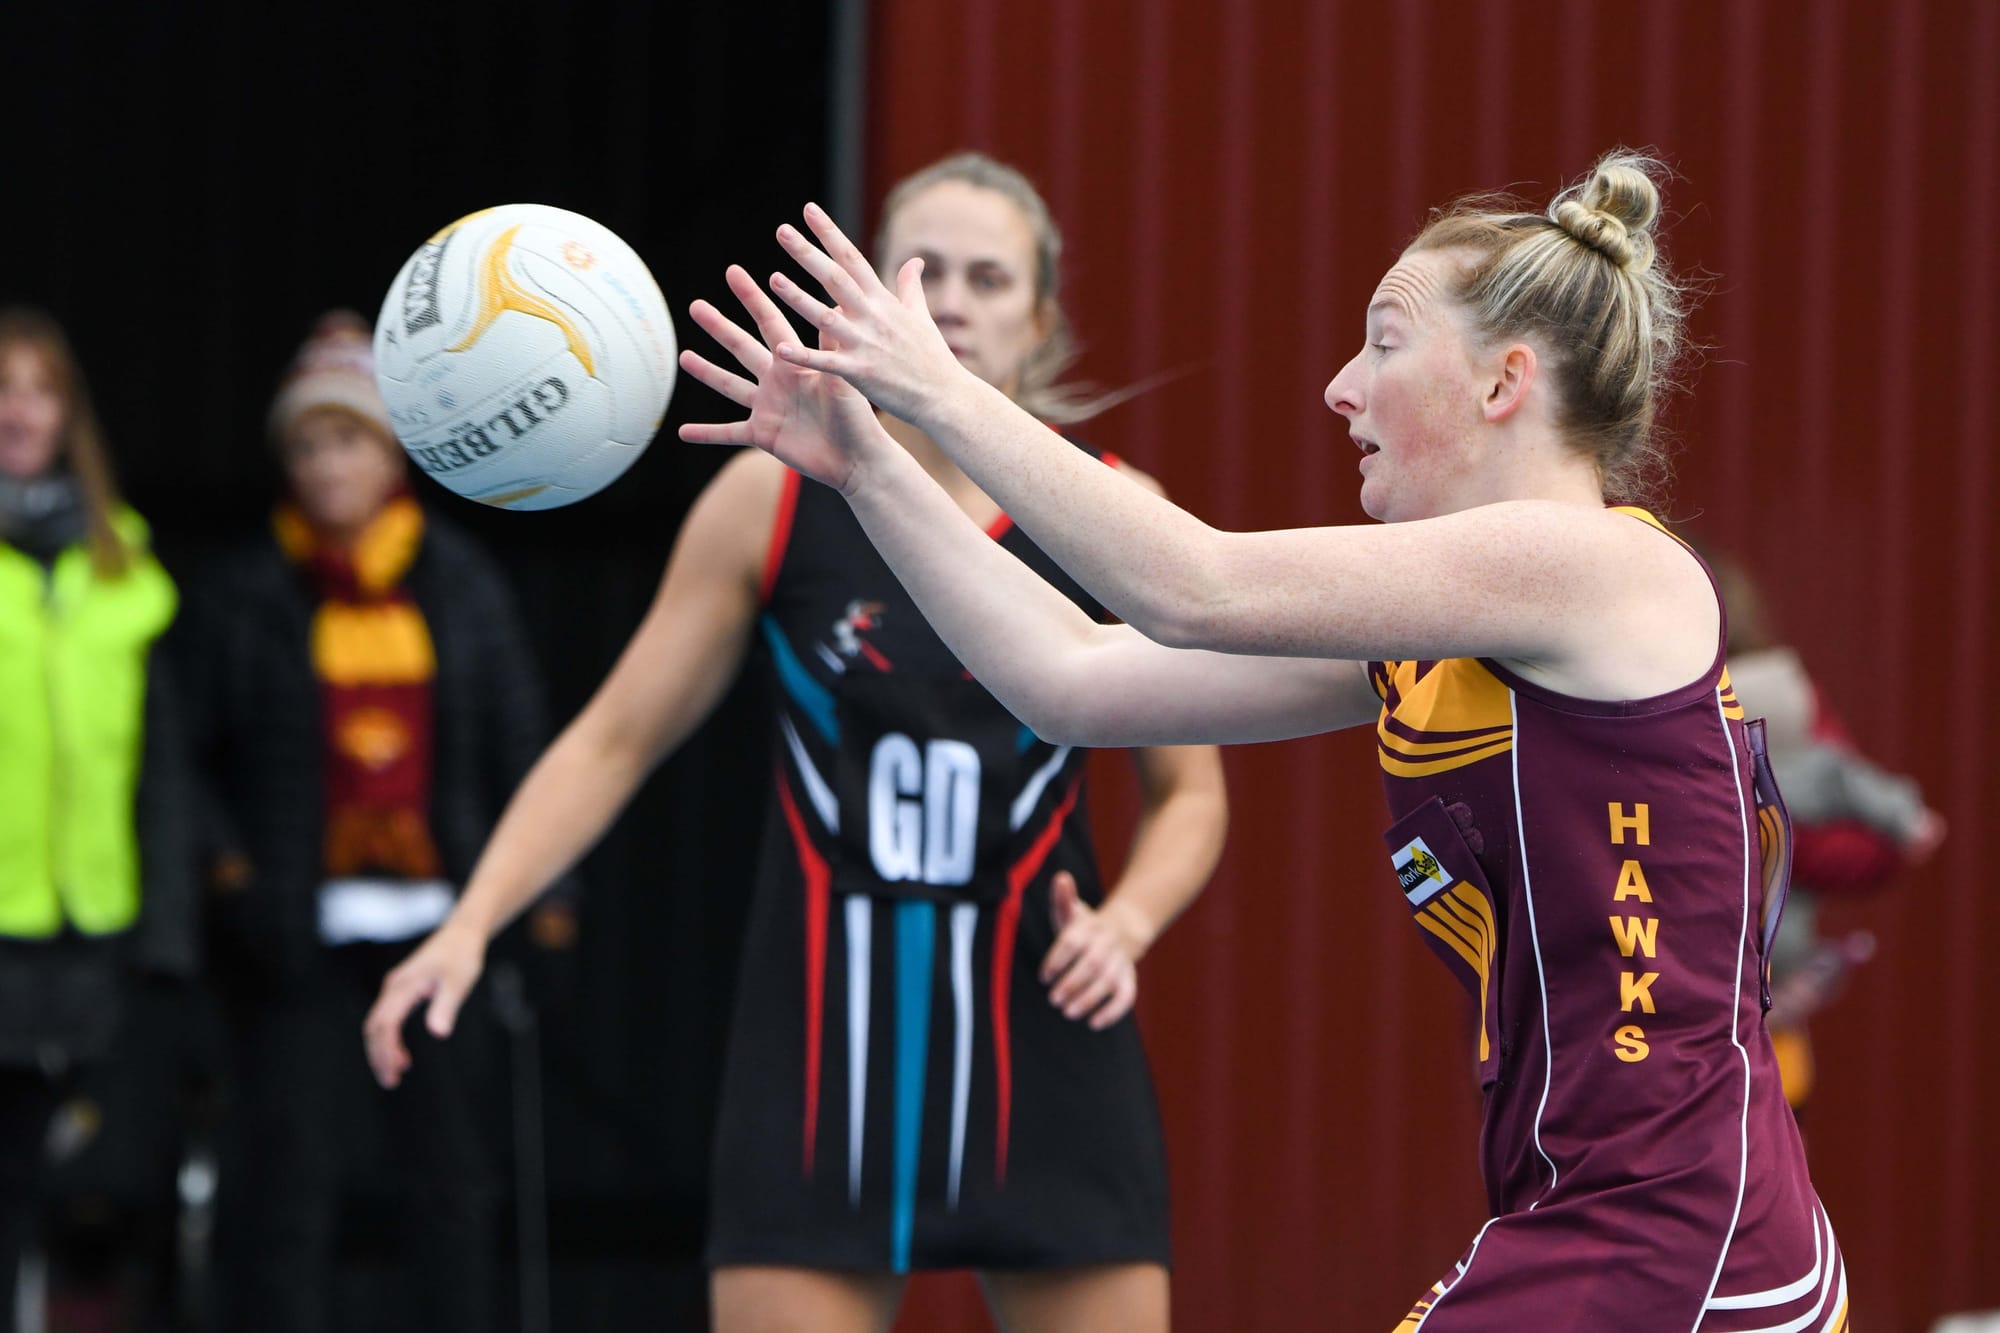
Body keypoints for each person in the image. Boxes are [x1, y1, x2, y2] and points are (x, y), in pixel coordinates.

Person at [680, 150, 1848, 1330]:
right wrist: (871, 467)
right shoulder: (1442, 631)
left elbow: (1195, 583)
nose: (1340, 388)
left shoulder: (1592, 563)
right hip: (1601, 1229)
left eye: (1382, 342)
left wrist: (933, 387)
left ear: (1504, 380)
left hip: (1688, 1247)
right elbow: (1070, 679)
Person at [364, 153, 1228, 1333]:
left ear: (1040, 320)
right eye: (925, 273)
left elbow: (1190, 793)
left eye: (991, 278)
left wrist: (1128, 922)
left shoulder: (1113, 508)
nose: (956, 302)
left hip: (1044, 1024)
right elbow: (613, 738)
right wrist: (469, 924)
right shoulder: (769, 501)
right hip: (821, 1043)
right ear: (862, 296)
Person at [186, 312, 571, 1333]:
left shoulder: (459, 579)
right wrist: (229, 875)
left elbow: (521, 741)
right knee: (285, 1190)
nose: (326, 465)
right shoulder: (246, 593)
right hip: (295, 934)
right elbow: (187, 756)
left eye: (347, 438)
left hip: (440, 927)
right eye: (306, 445)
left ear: (393, 448)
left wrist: (543, 896)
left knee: (451, 1185)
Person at [0, 307, 193, 1333]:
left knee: (68, 1201)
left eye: (36, 388)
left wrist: (162, 934)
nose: (14, 408)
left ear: (67, 415)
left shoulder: (124, 566)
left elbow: (160, 769)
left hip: (84, 944)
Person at [1708, 549, 1943, 1117]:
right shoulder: (1783, 707)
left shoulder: (1780, 706)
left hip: (1741, 999)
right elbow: (1870, 817)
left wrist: (1769, 838)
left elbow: (1870, 843)